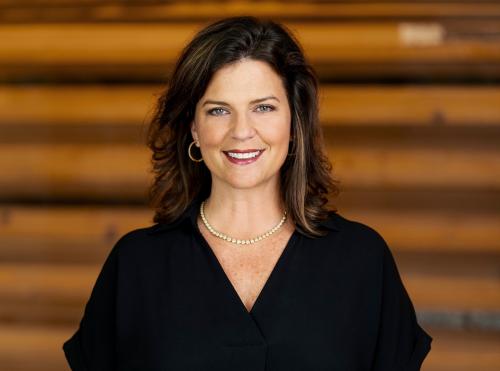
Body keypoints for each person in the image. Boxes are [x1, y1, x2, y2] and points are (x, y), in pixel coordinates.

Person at [62, 16, 432, 370]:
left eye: (264, 108)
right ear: (193, 128)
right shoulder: (136, 265)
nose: (241, 131)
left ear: (294, 122)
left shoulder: (362, 260)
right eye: (219, 110)